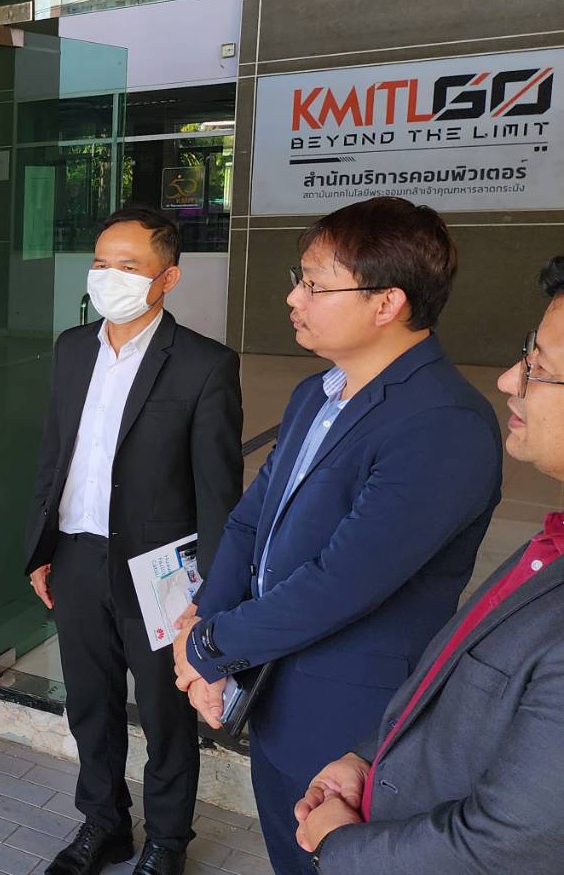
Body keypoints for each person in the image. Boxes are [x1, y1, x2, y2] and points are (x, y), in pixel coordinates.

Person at [173, 197, 503, 875]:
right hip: (272, 696)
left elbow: (338, 584)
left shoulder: (442, 422)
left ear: (386, 303)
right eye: (298, 280)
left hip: (351, 730)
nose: (293, 298)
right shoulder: (315, 395)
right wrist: (205, 621)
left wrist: (208, 646)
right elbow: (250, 522)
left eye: (315, 285)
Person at [293, 255, 564, 872]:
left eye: (540, 369)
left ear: (386, 302)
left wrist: (340, 848)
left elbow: (507, 847)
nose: (509, 380)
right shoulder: (547, 550)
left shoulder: (445, 422)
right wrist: (367, 760)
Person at [22, 207, 244, 875]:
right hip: (76, 555)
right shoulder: (71, 348)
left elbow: (217, 493)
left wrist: (209, 594)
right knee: (89, 705)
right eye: (99, 262)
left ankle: (167, 841)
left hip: (161, 574)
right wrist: (41, 550)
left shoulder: (204, 364)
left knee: (165, 713)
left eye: (128, 265)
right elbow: (53, 456)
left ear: (166, 278)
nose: (107, 276)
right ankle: (104, 824)